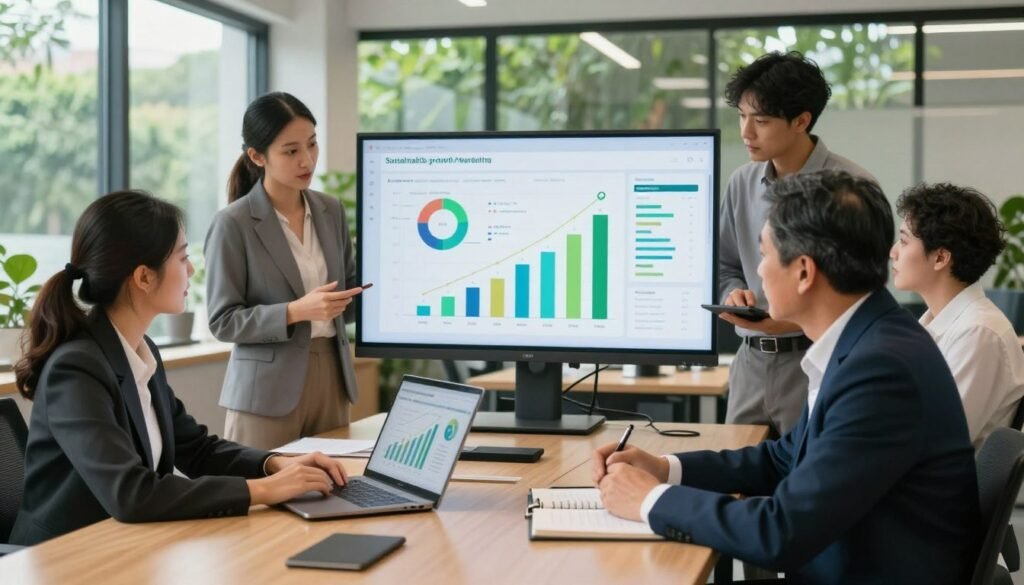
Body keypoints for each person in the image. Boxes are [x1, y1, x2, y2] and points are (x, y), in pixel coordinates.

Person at [592, 171, 980, 584]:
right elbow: (783, 458)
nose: (758, 272)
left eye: (765, 254)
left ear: (803, 272)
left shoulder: (881, 369)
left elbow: (781, 531)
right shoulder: (867, 339)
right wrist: (663, 467)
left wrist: (649, 499)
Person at [10, 191, 348, 546]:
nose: (191, 269)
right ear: (143, 277)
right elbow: (131, 494)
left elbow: (197, 449)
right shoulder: (76, 369)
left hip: (124, 545)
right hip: (62, 558)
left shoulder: (139, 350)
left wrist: (275, 464)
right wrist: (262, 491)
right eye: (182, 257)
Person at [718, 51, 875, 437]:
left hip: (817, 360)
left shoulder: (851, 188)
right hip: (750, 364)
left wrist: (789, 322)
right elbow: (726, 265)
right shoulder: (741, 182)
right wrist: (735, 291)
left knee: (807, 484)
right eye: (742, 116)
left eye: (762, 120)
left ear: (801, 120)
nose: (746, 132)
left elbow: (863, 294)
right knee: (735, 485)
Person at [205, 92, 363, 450]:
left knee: (331, 492)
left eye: (311, 144)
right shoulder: (233, 223)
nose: (307, 160)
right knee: (262, 495)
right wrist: (295, 312)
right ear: (257, 156)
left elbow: (347, 297)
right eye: (291, 151)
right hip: (266, 389)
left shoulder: (330, 210)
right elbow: (223, 321)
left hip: (331, 378)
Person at [891, 182, 1024, 449]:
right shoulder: (935, 323)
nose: (893, 252)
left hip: (936, 486)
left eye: (904, 241)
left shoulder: (979, 333)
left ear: (940, 258)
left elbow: (933, 439)